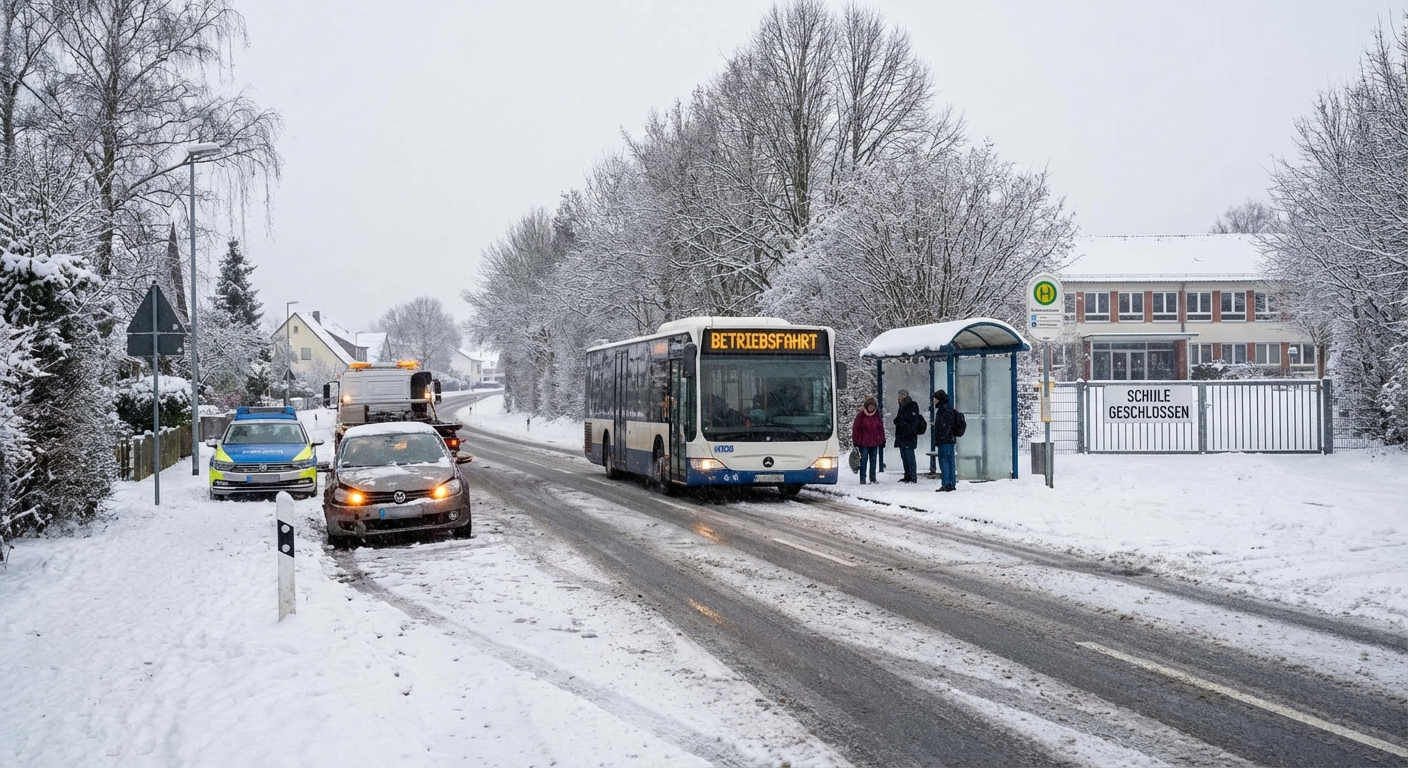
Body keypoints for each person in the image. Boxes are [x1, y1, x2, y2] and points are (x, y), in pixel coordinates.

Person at [931, 390, 961, 492]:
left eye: (935, 399)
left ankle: (946, 483)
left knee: (944, 462)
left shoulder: (943, 411)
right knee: (950, 462)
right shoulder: (950, 409)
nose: (934, 401)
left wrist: (940, 436)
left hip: (944, 441)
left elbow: (944, 426)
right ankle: (951, 483)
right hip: (950, 440)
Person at [850, 396, 885, 484]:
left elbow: (881, 429)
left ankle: (872, 478)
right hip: (863, 443)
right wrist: (855, 440)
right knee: (863, 460)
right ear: (866, 406)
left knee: (873, 460)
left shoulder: (877, 416)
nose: (871, 408)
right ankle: (863, 479)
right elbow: (856, 428)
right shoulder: (861, 415)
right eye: (869, 406)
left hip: (874, 442)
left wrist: (882, 440)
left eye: (872, 406)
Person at [893, 390, 921, 483]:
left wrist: (903, 423)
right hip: (902, 436)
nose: (901, 397)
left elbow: (912, 420)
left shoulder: (912, 405)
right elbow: (898, 419)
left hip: (909, 436)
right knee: (904, 456)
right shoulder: (901, 407)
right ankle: (907, 475)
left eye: (903, 395)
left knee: (909, 456)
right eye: (899, 395)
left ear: (907, 395)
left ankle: (913, 476)